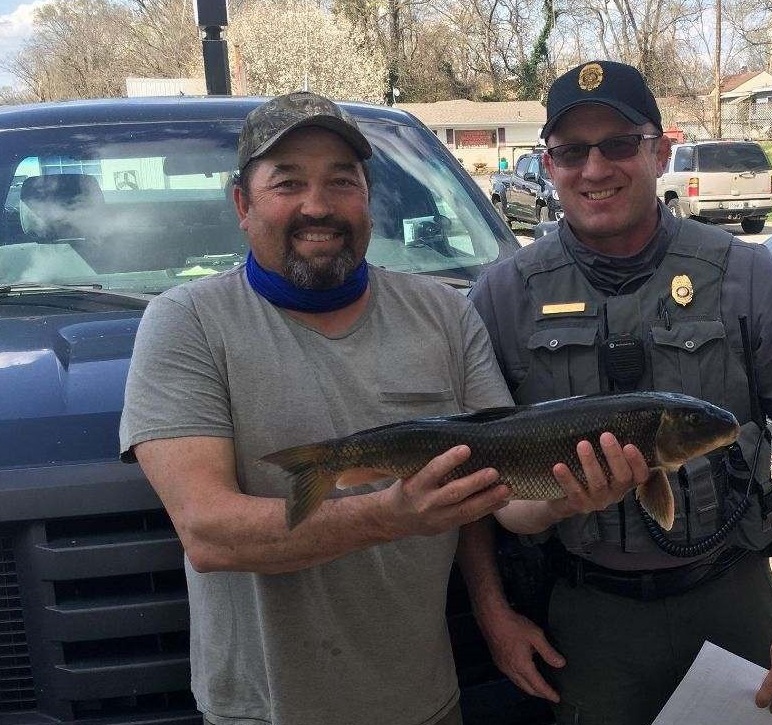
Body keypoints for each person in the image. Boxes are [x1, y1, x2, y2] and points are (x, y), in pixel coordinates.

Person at [118, 91, 535, 725]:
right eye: (288, 183)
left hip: (426, 701)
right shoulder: (186, 323)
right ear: (242, 204)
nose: (318, 206)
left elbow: (479, 487)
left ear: (368, 198)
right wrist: (393, 514)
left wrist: (493, 610)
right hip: (264, 711)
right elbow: (207, 531)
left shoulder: (447, 315)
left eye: (342, 182)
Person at [468, 60, 772, 724]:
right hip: (588, 616)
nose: (595, 169)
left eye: (618, 144)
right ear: (547, 164)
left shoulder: (744, 275)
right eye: (571, 151)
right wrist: (495, 615)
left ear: (660, 148)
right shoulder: (503, 294)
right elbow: (470, 473)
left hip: (730, 599)